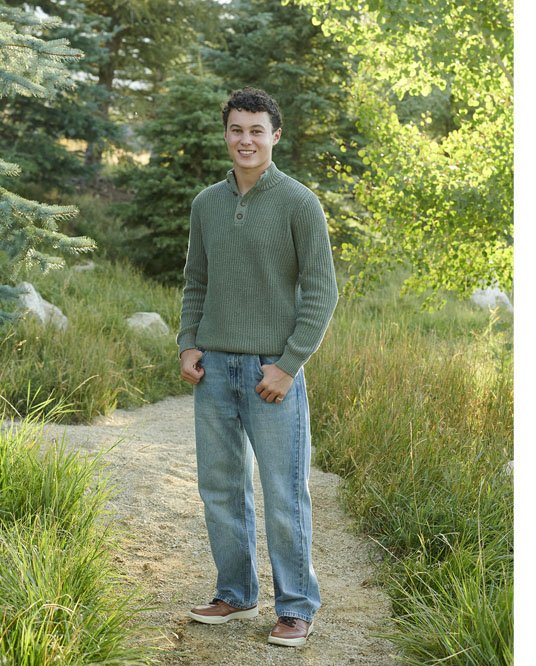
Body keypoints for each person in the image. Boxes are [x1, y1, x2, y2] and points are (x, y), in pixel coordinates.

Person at [177, 87, 337, 647]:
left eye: (256, 130)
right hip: (214, 371)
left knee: (284, 493)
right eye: (237, 130)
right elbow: (196, 281)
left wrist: (289, 366)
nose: (246, 140)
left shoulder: (299, 203)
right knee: (220, 488)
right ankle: (235, 593)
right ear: (227, 134)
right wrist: (187, 343)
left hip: (273, 376)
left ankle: (295, 607)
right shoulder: (206, 204)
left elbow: (322, 293)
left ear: (275, 135)